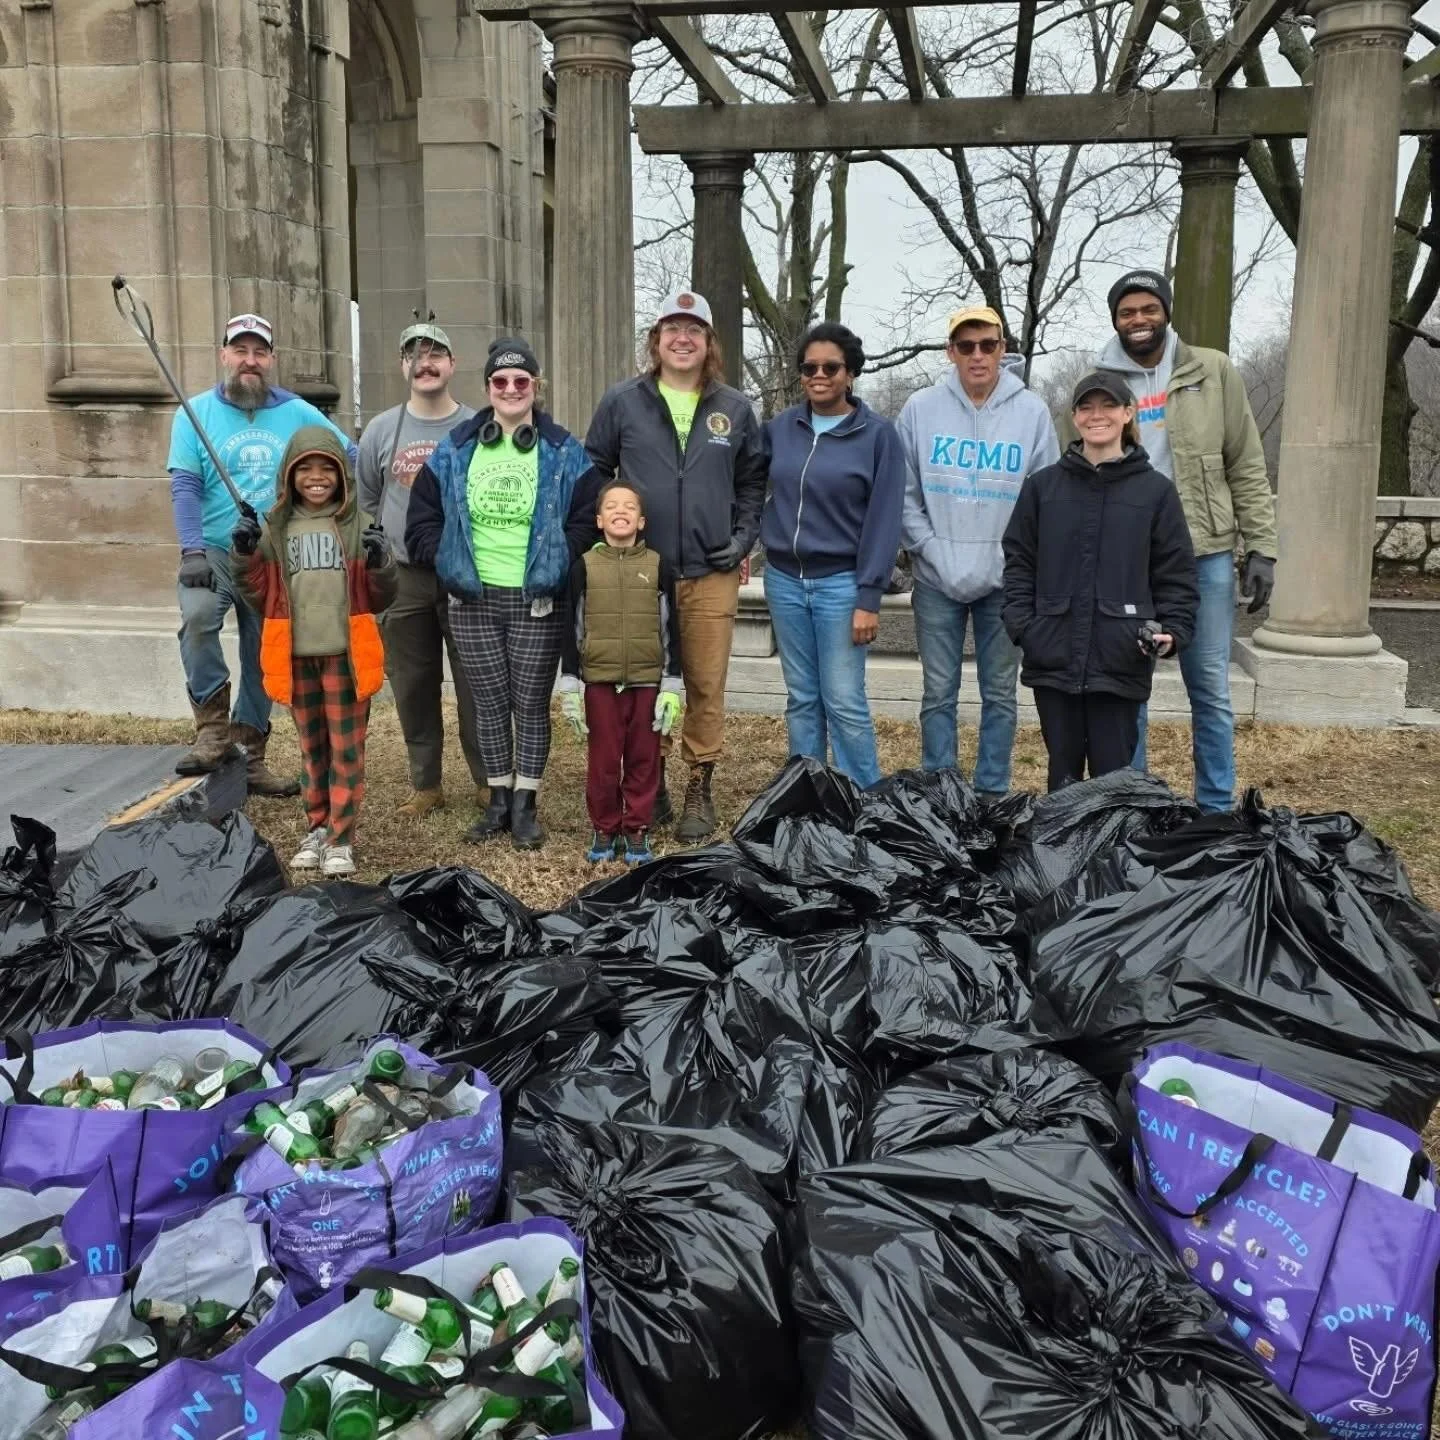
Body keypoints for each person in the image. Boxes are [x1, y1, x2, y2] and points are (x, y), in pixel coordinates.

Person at [571, 289, 768, 843]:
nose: (683, 339)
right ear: (656, 341)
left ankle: (698, 784)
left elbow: (754, 481)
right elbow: (593, 470)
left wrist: (742, 538)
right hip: (638, 573)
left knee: (704, 683)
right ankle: (647, 782)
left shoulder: (734, 408)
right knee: (641, 680)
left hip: (711, 570)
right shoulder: (622, 402)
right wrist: (607, 538)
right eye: (671, 329)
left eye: (695, 331)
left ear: (709, 344)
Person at [1093, 268, 1276, 812]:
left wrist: (1261, 545)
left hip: (1206, 555)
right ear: (1116, 321)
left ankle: (1216, 810)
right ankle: (1138, 805)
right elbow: (1083, 471)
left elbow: (1244, 461)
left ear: (1166, 312)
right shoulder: (1102, 381)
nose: (1139, 320)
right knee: (1132, 693)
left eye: (1149, 308)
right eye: (1127, 312)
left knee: (1210, 691)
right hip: (1131, 560)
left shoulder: (1211, 370)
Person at [406, 336, 592, 850]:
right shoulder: (458, 447)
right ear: (488, 388)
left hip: (537, 596)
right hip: (472, 597)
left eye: (521, 381)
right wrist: (445, 561)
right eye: (500, 381)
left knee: (529, 703)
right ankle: (497, 800)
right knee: (488, 703)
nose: (511, 389)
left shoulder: (562, 450)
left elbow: (587, 517)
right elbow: (422, 517)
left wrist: (560, 558)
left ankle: (526, 804)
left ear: (536, 386)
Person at [168, 312, 357, 797]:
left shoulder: (296, 411)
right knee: (198, 618)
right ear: (224, 355)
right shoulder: (194, 414)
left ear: (270, 359)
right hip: (213, 547)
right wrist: (191, 550)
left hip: (274, 552)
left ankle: (251, 752)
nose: (249, 360)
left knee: (263, 652)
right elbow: (185, 486)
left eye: (259, 352)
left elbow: (348, 457)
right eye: (240, 350)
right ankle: (212, 732)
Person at [1002, 371, 1199, 791]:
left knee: (1113, 783)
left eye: (1109, 406)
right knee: (1063, 779)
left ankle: (1110, 856)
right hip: (1053, 655)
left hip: (1120, 656)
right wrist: (1024, 627)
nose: (1098, 416)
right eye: (1086, 407)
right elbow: (1019, 562)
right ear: (1074, 417)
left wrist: (1174, 631)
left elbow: (1176, 573)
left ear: (1128, 413)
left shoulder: (1156, 493)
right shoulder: (1042, 488)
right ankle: (1061, 855)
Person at [896, 305, 1060, 799]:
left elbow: (1043, 496)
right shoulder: (920, 410)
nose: (977, 355)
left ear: (1002, 348)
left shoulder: (1031, 412)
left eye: (988, 344)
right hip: (935, 578)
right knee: (938, 693)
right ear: (951, 353)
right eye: (965, 346)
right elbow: (903, 493)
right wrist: (927, 548)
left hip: (1005, 581)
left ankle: (991, 793)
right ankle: (940, 791)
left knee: (1001, 695)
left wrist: (1018, 563)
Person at [229, 426, 396, 876]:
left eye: (328, 468)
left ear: (343, 475)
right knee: (312, 749)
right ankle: (318, 827)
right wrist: (243, 553)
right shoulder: (275, 529)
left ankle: (342, 838)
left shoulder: (360, 525)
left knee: (346, 749)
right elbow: (255, 593)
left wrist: (382, 563)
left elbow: (381, 597)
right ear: (289, 475)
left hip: (346, 655)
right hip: (295, 655)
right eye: (306, 469)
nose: (317, 477)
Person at [760, 321, 905, 787]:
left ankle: (866, 801)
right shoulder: (781, 429)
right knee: (802, 697)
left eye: (831, 367)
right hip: (783, 579)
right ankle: (808, 796)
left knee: (843, 700)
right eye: (809, 367)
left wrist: (869, 597)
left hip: (842, 585)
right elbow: (747, 487)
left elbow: (885, 521)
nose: (818, 375)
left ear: (850, 372)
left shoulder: (878, 436)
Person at [356, 318, 485, 819]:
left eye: (435, 354)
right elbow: (369, 497)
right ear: (403, 366)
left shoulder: (476, 426)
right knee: (412, 681)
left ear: (452, 365)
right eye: (415, 355)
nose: (425, 363)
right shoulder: (382, 430)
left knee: (477, 680)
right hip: (404, 576)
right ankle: (426, 784)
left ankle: (487, 779)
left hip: (465, 573)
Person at [558, 481, 684, 866]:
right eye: (611, 505)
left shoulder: (659, 565)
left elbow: (671, 629)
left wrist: (671, 683)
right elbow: (572, 627)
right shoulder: (583, 567)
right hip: (600, 682)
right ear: (599, 519)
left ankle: (637, 829)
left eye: (629, 506)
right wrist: (570, 684)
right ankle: (605, 827)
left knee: (644, 759)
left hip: (648, 683)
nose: (620, 510)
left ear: (641, 520)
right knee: (604, 760)